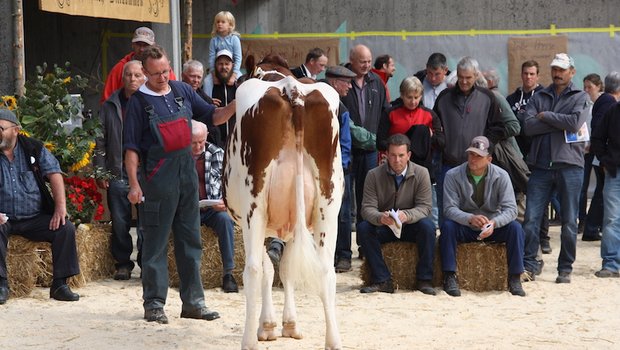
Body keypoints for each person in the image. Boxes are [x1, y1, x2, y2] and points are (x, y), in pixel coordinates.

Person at [123, 45, 236, 324]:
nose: (162, 77)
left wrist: (238, 104)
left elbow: (214, 116)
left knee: (191, 241)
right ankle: (154, 304)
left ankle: (194, 303)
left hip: (186, 177)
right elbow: (132, 149)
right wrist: (134, 185)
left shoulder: (182, 91)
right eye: (155, 73)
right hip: (157, 180)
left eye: (165, 71)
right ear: (144, 73)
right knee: (155, 245)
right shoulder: (138, 103)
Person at [267, 65, 355, 272]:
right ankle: (280, 247)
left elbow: (344, 142)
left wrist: (338, 169)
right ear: (333, 82)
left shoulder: (339, 108)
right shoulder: (298, 107)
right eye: (346, 82)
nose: (350, 86)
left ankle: (341, 256)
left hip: (332, 171)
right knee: (292, 207)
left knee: (340, 215)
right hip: (304, 168)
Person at [0, 109, 80, 304]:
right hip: (3, 217)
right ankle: (1, 285)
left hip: (34, 217)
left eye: (1, 128)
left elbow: (54, 174)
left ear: (16, 130)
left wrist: (60, 208)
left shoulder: (33, 149)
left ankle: (60, 285)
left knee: (64, 228)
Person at [521, 53, 588, 283]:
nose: (557, 73)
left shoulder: (581, 97)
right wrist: (558, 122)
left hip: (570, 166)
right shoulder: (539, 95)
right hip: (540, 166)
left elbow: (574, 123)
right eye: (555, 69)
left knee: (570, 221)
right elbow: (528, 127)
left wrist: (547, 116)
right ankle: (529, 264)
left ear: (572, 72)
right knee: (530, 218)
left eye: (562, 69)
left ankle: (565, 268)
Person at [439, 136, 526, 297]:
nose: (473, 159)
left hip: (492, 227)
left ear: (489, 159)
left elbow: (511, 209)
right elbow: (449, 209)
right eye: (471, 154)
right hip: (466, 226)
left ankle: (514, 277)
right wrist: (469, 218)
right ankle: (449, 275)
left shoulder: (502, 176)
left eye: (479, 156)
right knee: (448, 227)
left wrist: (494, 222)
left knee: (515, 228)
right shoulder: (452, 175)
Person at [357, 133, 436, 295]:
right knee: (364, 228)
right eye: (392, 155)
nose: (397, 160)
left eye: (401, 155)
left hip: (410, 226)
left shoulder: (422, 173)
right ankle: (382, 279)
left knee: (428, 227)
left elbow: (425, 207)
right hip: (385, 226)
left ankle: (424, 279)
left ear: (409, 155)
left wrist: (407, 215)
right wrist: (381, 218)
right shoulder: (373, 175)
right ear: (386, 155)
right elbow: (366, 208)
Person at [433, 56, 503, 226]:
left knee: (476, 211)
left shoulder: (487, 98)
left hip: (477, 166)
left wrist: (486, 147)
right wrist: (440, 143)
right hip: (448, 166)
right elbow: (434, 125)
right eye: (461, 77)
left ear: (476, 76)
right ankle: (446, 247)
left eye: (468, 78)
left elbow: (499, 127)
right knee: (447, 213)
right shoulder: (444, 98)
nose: (464, 81)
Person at [94, 60, 145, 281]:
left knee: (146, 223)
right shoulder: (110, 106)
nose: (132, 79)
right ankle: (123, 263)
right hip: (117, 172)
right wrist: (100, 171)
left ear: (144, 78)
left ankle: (147, 263)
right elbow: (100, 141)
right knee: (120, 222)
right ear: (122, 78)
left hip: (145, 174)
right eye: (128, 75)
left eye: (137, 75)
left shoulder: (149, 103)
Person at [505, 60, 552, 255]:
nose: (528, 77)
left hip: (538, 154)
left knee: (539, 197)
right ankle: (522, 235)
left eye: (532, 74)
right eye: (526, 73)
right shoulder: (512, 98)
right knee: (518, 198)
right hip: (516, 155)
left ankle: (544, 237)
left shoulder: (545, 97)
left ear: (538, 76)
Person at [341, 44, 390, 225]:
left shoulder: (377, 82)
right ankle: (343, 250)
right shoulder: (342, 81)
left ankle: (364, 245)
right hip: (347, 150)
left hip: (370, 151)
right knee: (344, 199)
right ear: (351, 61)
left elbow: (386, 112)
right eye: (362, 62)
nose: (367, 65)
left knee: (367, 199)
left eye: (369, 61)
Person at [191, 120, 238, 292]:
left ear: (206, 137)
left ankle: (228, 273)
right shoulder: (179, 156)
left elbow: (231, 183)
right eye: (193, 143)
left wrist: (225, 202)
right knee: (187, 227)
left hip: (212, 207)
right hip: (190, 209)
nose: (197, 146)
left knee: (225, 220)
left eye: (201, 142)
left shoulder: (217, 153)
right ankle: (192, 273)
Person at [376, 76, 443, 178]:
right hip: (395, 167)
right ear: (402, 95)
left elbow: (441, 143)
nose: (413, 102)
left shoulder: (430, 115)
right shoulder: (390, 113)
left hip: (421, 169)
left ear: (421, 96)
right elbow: (380, 142)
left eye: (416, 97)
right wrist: (398, 148)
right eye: (409, 97)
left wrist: (431, 136)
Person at [583, 72, 620, 241]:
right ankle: (591, 229)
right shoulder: (610, 104)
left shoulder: (604, 101)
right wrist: (606, 159)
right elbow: (598, 131)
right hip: (610, 164)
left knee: (601, 196)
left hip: (606, 161)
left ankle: (591, 228)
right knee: (604, 200)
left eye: (588, 87)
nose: (586, 91)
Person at [590, 79, 620, 278]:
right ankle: (611, 263)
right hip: (614, 172)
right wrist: (604, 160)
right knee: (611, 219)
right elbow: (597, 137)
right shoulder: (613, 111)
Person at [100, 27, 176, 103]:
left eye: (146, 45)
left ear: (153, 46)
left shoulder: (162, 68)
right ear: (133, 45)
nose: (142, 49)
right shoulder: (120, 68)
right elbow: (107, 100)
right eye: (138, 45)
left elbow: (173, 93)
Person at [578, 73, 603, 238]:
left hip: (597, 151)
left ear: (598, 87)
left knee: (601, 188)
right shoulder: (583, 104)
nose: (587, 90)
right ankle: (582, 220)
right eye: (585, 87)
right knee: (582, 187)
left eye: (590, 87)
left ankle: (595, 222)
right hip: (583, 150)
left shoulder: (601, 104)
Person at [181, 59, 221, 146]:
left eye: (199, 77)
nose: (196, 80)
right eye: (192, 76)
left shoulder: (200, 93)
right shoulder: (179, 94)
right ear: (183, 76)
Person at [204, 11, 242, 97]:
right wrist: (213, 74)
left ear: (230, 25)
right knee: (207, 81)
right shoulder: (214, 40)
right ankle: (208, 102)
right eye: (217, 22)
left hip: (232, 69)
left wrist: (234, 75)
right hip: (218, 69)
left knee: (242, 81)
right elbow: (211, 58)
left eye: (223, 22)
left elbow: (238, 58)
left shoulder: (234, 39)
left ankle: (242, 102)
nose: (219, 24)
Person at [210, 49, 238, 149]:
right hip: (214, 143)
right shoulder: (208, 84)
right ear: (215, 65)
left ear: (232, 65)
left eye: (227, 64)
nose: (224, 67)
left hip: (236, 142)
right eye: (220, 64)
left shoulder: (239, 84)